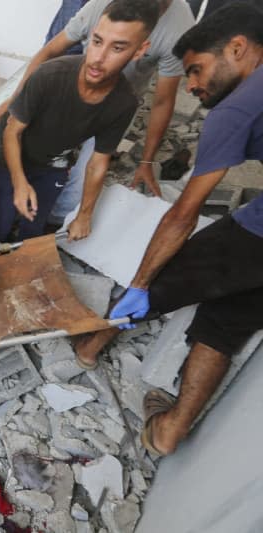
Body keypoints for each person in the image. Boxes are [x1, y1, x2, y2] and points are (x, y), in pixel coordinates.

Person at [75, 3, 263, 457]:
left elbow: (182, 215)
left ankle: (93, 343)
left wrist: (141, 283)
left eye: (196, 70)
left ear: (237, 48)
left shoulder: (237, 108)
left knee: (179, 265)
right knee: (231, 311)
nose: (192, 85)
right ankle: (169, 430)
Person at [0, 0, 195, 223]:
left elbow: (163, 102)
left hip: (116, 108)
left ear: (141, 49)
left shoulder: (178, 28)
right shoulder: (100, 8)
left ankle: (55, 223)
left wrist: (146, 163)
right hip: (79, 84)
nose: (100, 58)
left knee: (78, 187)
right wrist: (18, 97)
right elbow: (50, 50)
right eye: (97, 41)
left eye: (118, 47)